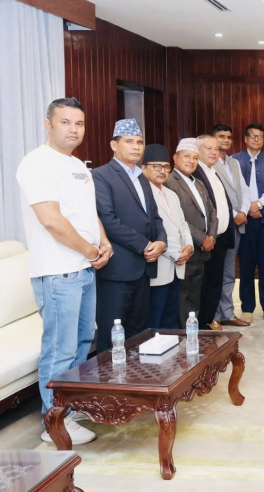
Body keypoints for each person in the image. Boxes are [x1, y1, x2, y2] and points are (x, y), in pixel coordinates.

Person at [17, 97, 111, 444]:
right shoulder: (37, 163)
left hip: (84, 268)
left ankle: (70, 405)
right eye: (65, 122)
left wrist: (103, 241)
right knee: (59, 348)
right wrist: (89, 250)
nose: (73, 129)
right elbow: (51, 221)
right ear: (48, 124)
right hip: (58, 271)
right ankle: (53, 422)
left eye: (79, 123)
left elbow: (87, 212)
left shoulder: (77, 166)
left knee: (82, 343)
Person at [93, 118, 166, 352]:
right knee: (112, 337)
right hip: (118, 270)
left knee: (139, 334)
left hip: (143, 269)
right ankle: (109, 377)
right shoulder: (101, 175)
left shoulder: (141, 177)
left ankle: (136, 375)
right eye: (129, 141)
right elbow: (107, 219)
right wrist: (145, 245)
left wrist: (161, 241)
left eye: (139, 142)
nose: (136, 147)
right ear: (114, 145)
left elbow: (154, 217)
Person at [164, 138, 217, 328]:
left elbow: (212, 211)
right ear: (175, 158)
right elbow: (179, 219)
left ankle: (193, 331)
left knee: (195, 296)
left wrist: (211, 236)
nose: (191, 161)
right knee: (183, 296)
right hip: (185, 249)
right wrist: (202, 238)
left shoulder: (198, 183)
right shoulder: (169, 181)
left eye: (195, 158)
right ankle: (183, 335)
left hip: (202, 251)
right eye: (187, 156)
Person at [141, 144, 194, 329]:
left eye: (166, 167)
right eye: (157, 166)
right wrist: (177, 253)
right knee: (155, 320)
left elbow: (182, 224)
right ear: (143, 167)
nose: (162, 171)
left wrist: (189, 246)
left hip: (177, 267)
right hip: (160, 265)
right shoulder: (143, 193)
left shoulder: (171, 194)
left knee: (170, 318)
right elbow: (154, 230)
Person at [233, 124, 264, 323]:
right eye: (252, 136)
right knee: (246, 264)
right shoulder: (234, 160)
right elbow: (232, 189)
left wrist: (259, 204)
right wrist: (246, 208)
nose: (256, 139)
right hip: (243, 219)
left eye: (259, 136)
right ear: (245, 138)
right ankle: (247, 307)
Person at [211, 124, 251, 328]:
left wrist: (243, 211)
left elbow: (243, 189)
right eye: (221, 136)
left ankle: (227, 313)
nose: (225, 140)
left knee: (229, 272)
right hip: (219, 226)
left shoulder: (233, 162)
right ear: (213, 139)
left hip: (236, 226)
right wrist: (235, 214)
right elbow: (215, 196)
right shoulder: (208, 162)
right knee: (216, 272)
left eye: (228, 136)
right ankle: (214, 315)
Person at [194, 134, 234, 330]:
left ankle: (209, 320)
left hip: (221, 237)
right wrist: (207, 236)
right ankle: (203, 324)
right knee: (205, 284)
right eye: (208, 148)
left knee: (216, 283)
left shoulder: (214, 171)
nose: (213, 152)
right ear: (198, 151)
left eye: (216, 149)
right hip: (207, 239)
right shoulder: (196, 173)